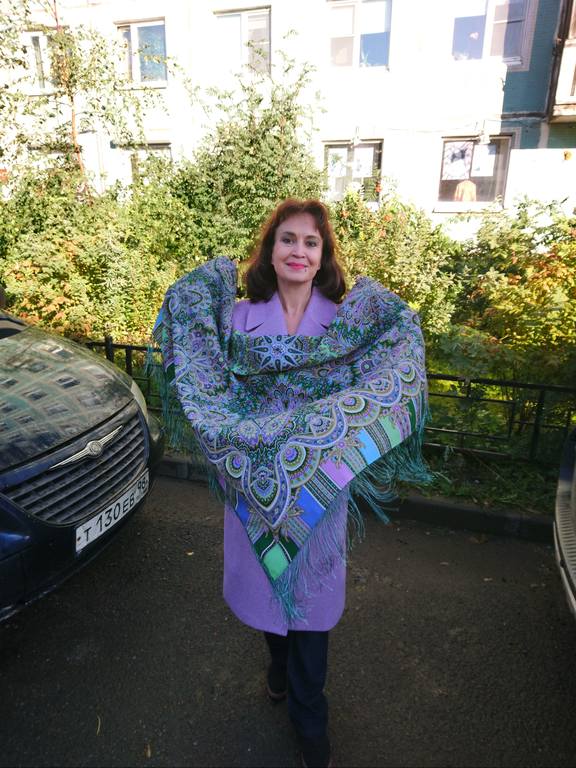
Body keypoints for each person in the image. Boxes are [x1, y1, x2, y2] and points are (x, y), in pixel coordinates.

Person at [152, 198, 429, 768]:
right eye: (287, 239)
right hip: (252, 489)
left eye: (310, 242)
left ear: (323, 257)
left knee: (311, 611)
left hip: (319, 492)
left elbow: (389, 363)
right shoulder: (236, 321)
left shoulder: (348, 325)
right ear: (270, 251)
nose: (298, 251)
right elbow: (203, 374)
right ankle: (276, 669)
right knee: (267, 597)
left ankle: (310, 723)